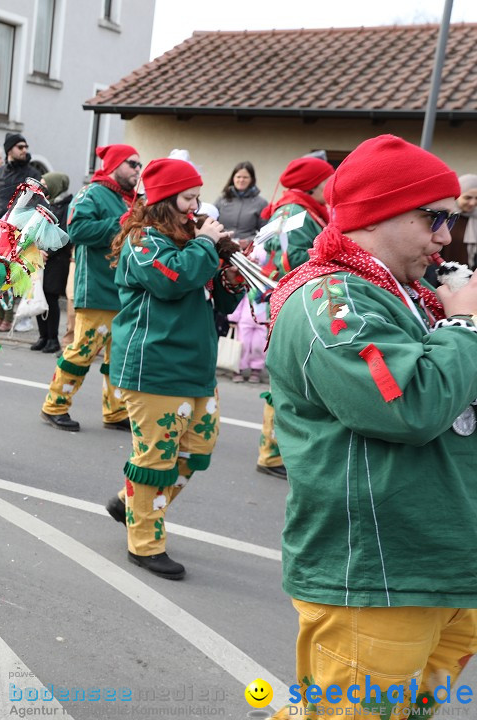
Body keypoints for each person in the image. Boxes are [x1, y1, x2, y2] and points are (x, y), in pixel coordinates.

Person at [266, 134, 477, 720]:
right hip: (378, 572)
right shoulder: (330, 302)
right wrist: (466, 328)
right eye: (433, 218)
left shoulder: (409, 295)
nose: (445, 237)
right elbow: (406, 406)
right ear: (380, 213)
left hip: (438, 566)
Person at [103, 158, 243, 580]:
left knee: (198, 450)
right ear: (165, 200)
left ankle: (132, 504)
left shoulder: (191, 241)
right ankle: (145, 542)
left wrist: (230, 275)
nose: (196, 205)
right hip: (154, 365)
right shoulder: (143, 241)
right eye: (188, 197)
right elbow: (170, 280)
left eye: (198, 197)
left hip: (195, 364)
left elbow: (218, 303)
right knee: (156, 459)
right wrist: (205, 245)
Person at [40, 144, 138, 432]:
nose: (137, 169)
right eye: (132, 163)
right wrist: (120, 223)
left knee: (117, 357)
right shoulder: (91, 193)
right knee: (81, 351)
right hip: (96, 289)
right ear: (114, 165)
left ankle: (115, 411)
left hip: (123, 291)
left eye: (138, 164)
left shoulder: (128, 199)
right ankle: (54, 406)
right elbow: (77, 230)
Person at [255, 155, 335, 479]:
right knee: (286, 379)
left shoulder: (299, 210)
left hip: (283, 300)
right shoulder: (295, 212)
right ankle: (273, 453)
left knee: (288, 379)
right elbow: (288, 258)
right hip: (283, 301)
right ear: (314, 185)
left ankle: (276, 451)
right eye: (328, 180)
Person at [33, 171, 72, 353]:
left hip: (57, 260)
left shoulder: (67, 205)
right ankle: (43, 336)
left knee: (51, 298)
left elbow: (65, 234)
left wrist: (47, 251)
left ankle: (53, 339)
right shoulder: (46, 202)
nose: (42, 188)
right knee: (38, 295)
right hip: (40, 256)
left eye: (46, 184)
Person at [0, 132, 41, 219]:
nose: (24, 150)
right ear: (9, 150)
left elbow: (37, 203)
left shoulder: (33, 174)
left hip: (21, 227)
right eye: (20, 147)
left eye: (26, 147)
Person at [214, 161, 267, 242]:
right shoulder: (221, 201)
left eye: (245, 177)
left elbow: (266, 232)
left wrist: (249, 241)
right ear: (233, 178)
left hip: (247, 251)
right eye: (238, 177)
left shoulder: (261, 203)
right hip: (221, 247)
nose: (241, 180)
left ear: (252, 179)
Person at [449, 173, 477, 269]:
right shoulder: (444, 216)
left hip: (468, 276)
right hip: (436, 276)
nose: (473, 203)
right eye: (467, 197)